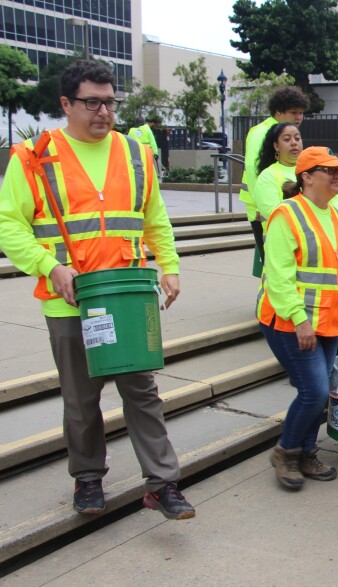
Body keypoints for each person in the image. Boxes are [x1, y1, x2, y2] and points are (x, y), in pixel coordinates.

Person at [0, 60, 195, 520]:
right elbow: (10, 225)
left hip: (127, 295)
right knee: (82, 399)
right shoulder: (33, 156)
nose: (104, 111)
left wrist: (169, 266)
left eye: (110, 102)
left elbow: (154, 218)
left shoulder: (135, 153)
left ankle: (163, 483)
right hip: (72, 302)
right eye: (92, 102)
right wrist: (50, 268)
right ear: (66, 104)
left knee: (143, 392)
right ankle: (88, 479)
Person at [256, 146, 338, 490]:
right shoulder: (286, 215)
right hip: (290, 322)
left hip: (328, 321)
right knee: (314, 391)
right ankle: (286, 451)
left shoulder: (333, 214)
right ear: (306, 176)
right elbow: (279, 276)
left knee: (318, 390)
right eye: (329, 170)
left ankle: (306, 451)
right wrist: (299, 320)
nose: (337, 175)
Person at [239, 86, 309, 269]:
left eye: (301, 113)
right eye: (294, 112)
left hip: (277, 207)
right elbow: (254, 169)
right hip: (263, 209)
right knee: (274, 265)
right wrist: (261, 204)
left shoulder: (285, 132)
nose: (299, 118)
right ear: (278, 112)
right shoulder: (262, 132)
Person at [252, 122, 303, 222]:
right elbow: (273, 212)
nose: (294, 143)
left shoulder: (313, 169)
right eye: (287, 139)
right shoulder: (267, 176)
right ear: (276, 146)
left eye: (297, 138)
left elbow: (336, 199)